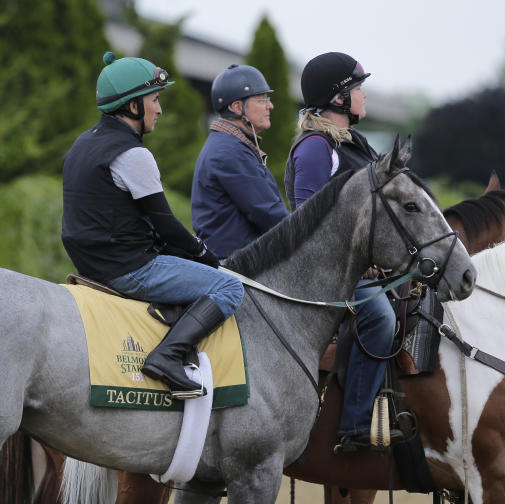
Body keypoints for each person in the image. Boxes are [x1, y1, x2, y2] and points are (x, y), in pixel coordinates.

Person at [62, 52, 244, 399]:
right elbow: (167, 227)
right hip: (130, 269)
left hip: (89, 265)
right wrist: (207, 255)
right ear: (133, 107)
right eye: (154, 100)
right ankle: (168, 357)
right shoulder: (133, 154)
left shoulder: (81, 144)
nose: (159, 109)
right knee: (229, 289)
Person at [285, 52, 398, 448]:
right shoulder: (316, 148)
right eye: (357, 88)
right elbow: (309, 222)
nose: (364, 95)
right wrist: (359, 263)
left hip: (366, 267)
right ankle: (355, 425)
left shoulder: (357, 143)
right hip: (328, 275)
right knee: (381, 319)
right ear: (338, 99)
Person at [191, 64, 289, 259]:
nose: (271, 106)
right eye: (262, 100)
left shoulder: (231, 144)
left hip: (243, 260)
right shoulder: (230, 151)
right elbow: (269, 214)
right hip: (238, 267)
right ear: (237, 107)